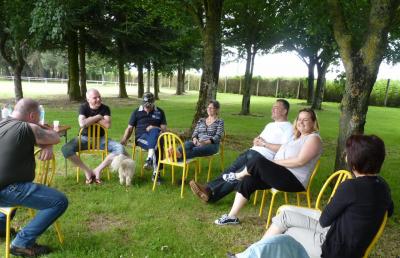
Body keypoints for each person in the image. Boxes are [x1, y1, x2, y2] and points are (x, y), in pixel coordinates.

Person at [234, 134, 394, 258]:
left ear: (355, 160)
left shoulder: (351, 187)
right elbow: (387, 211)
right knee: (285, 216)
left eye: (348, 153)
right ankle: (251, 254)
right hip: (349, 243)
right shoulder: (382, 185)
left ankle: (252, 254)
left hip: (333, 248)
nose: (345, 155)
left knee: (288, 231)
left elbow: (325, 220)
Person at [215, 108, 322, 225]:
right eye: (299, 119)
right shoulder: (295, 137)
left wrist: (273, 163)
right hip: (280, 174)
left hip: (294, 180)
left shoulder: (313, 138)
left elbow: (300, 161)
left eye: (305, 120)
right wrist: (265, 146)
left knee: (257, 160)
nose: (301, 122)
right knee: (249, 179)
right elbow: (281, 151)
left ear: (313, 122)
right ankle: (232, 216)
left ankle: (237, 175)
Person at [0, 99, 68, 257]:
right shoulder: (28, 128)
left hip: (3, 186)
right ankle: (21, 243)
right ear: (32, 116)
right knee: (59, 201)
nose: (40, 120)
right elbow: (55, 137)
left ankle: (1, 226)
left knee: (17, 183)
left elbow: (41, 137)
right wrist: (49, 143)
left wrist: (46, 143)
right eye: (39, 117)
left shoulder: (3, 123)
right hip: (7, 189)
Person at [189, 99, 293, 203]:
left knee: (237, 175)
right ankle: (207, 188)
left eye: (276, 108)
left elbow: (284, 149)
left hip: (262, 159)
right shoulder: (270, 125)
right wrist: (256, 140)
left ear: (284, 111)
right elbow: (258, 139)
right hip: (251, 152)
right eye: (273, 107)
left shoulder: (288, 128)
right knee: (230, 170)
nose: (272, 110)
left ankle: (212, 196)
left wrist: (264, 144)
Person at [62, 88, 125, 184]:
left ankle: (98, 170)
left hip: (101, 140)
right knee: (65, 149)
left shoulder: (105, 108)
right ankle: (87, 171)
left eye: (99, 97)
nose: (98, 99)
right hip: (83, 139)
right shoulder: (83, 107)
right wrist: (99, 117)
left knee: (120, 149)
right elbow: (82, 124)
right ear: (88, 100)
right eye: (95, 98)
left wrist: (90, 120)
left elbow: (108, 125)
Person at [120, 92, 167, 183]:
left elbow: (164, 130)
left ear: (153, 103)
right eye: (145, 105)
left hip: (156, 136)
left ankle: (149, 160)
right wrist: (124, 139)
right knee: (157, 145)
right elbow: (129, 128)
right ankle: (156, 174)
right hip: (141, 138)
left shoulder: (160, 112)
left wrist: (154, 127)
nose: (147, 107)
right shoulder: (136, 112)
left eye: (149, 105)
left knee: (155, 133)